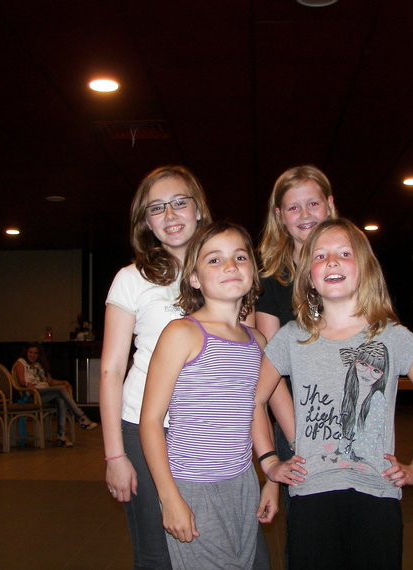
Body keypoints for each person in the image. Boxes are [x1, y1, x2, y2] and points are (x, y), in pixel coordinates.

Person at [99, 166, 276, 569]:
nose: (170, 214)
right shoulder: (131, 279)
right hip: (146, 425)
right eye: (156, 208)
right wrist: (114, 456)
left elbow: (247, 381)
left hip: (215, 435)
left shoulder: (229, 274)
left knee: (245, 551)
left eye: (180, 202)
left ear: (198, 209)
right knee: (158, 551)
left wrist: (268, 463)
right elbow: (111, 370)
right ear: (146, 222)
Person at [252, 218, 413, 569]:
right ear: (309, 276)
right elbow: (254, 399)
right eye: (320, 256)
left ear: (365, 268)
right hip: (311, 494)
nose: (332, 261)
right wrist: (269, 462)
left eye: (344, 254)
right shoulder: (291, 337)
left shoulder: (392, 336)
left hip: (376, 494)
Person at [140, 222, 277, 570]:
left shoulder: (258, 342)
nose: (230, 266)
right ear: (195, 278)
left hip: (243, 481)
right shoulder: (183, 333)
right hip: (192, 485)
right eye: (214, 260)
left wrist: (271, 480)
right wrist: (169, 497)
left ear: (253, 272)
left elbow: (256, 411)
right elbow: (151, 420)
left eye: (240, 257)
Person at [251, 165, 338, 565]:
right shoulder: (271, 280)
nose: (305, 214)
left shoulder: (352, 268)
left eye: (313, 203)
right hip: (298, 424)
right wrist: (298, 440)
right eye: (293, 207)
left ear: (329, 205)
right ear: (279, 216)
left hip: (352, 427)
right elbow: (271, 370)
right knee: (308, 540)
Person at [14, 342, 98, 447]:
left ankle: (61, 436)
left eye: (36, 353)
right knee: (61, 390)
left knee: (61, 400)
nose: (33, 355)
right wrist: (28, 384)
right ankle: (81, 417)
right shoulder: (21, 362)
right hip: (33, 394)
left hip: (46, 391)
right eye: (31, 352)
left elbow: (50, 382)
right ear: (26, 352)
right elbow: (21, 381)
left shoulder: (40, 365)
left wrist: (63, 382)